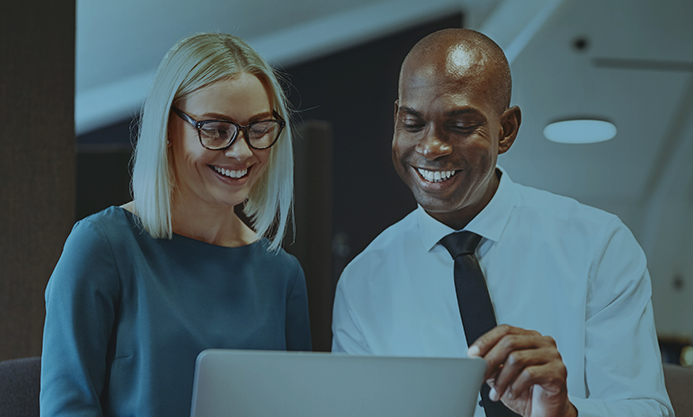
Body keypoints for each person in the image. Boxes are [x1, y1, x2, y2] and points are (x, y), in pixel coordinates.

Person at [331, 28, 673, 417]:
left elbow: (648, 409)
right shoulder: (363, 283)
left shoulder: (599, 246)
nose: (431, 147)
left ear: (506, 130)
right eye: (412, 124)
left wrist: (564, 413)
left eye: (459, 126)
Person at [41, 33, 312, 417]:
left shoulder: (282, 275)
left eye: (258, 129)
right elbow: (66, 408)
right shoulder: (102, 246)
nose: (241, 151)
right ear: (168, 130)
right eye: (216, 130)